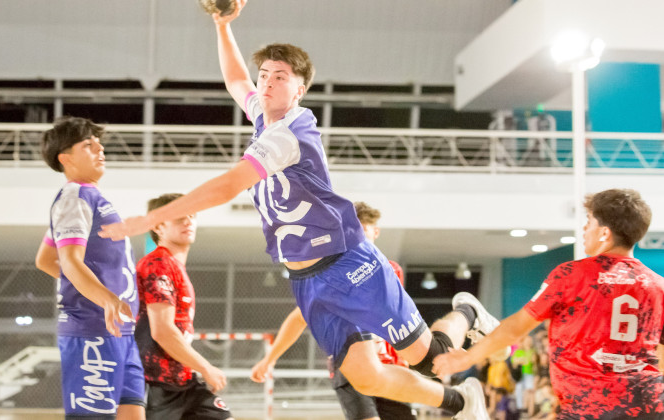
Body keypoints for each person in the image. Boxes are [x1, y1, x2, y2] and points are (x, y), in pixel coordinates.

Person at [100, 2, 505, 417]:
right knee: (364, 376)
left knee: (429, 359)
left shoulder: (292, 132)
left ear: (299, 89)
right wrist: (222, 27)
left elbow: (228, 185)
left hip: (348, 264)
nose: (267, 83)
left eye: (280, 77)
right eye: (266, 76)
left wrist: (150, 219)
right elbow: (237, 80)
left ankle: (466, 310)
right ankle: (462, 402)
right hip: (307, 280)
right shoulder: (262, 116)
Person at [434, 188, 664, 419]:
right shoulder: (658, 285)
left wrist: (467, 358)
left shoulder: (572, 275)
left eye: (589, 222)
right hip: (649, 406)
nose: (585, 229)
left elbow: (516, 328)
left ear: (604, 233)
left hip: (590, 408)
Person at [250, 201, 415, 420]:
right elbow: (299, 318)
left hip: (390, 368)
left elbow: (399, 316)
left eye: (362, 232)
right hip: (352, 363)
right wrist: (269, 358)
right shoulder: (333, 274)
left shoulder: (391, 270)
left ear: (375, 232)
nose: (356, 239)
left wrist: (410, 354)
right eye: (350, 233)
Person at [34, 116, 145, 420]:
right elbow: (68, 261)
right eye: (88, 144)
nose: (100, 148)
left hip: (119, 331)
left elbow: (45, 259)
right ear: (65, 158)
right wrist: (104, 298)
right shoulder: (74, 196)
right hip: (93, 332)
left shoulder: (92, 198)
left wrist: (92, 286)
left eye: (99, 143)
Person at [134, 193, 233, 420]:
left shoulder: (174, 266)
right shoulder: (157, 264)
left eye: (191, 215)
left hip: (184, 382)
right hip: (156, 384)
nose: (188, 221)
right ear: (158, 226)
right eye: (179, 217)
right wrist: (206, 368)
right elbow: (162, 331)